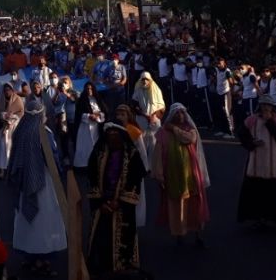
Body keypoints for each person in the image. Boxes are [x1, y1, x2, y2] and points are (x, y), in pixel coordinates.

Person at [7, 98, 66, 278]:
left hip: (25, 182)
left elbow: (14, 158)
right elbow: (53, 158)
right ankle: (43, 257)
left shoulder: (20, 131)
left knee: (28, 220)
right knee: (45, 218)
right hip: (44, 182)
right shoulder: (44, 133)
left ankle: (29, 256)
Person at [86, 122, 147, 275]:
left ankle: (123, 266)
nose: (112, 138)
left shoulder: (132, 154)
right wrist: (100, 202)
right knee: (101, 238)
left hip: (121, 205)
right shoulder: (99, 151)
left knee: (123, 238)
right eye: (109, 135)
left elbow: (135, 179)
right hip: (102, 204)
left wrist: (118, 202)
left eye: (115, 135)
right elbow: (91, 176)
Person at [236, 95, 276, 235]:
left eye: (268, 105)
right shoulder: (252, 120)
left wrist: (269, 121)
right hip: (257, 163)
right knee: (258, 192)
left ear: (272, 107)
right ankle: (260, 218)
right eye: (263, 105)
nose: (265, 107)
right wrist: (251, 143)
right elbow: (242, 134)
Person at [152, 103, 210, 246]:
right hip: (173, 175)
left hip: (191, 174)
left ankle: (197, 234)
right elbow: (157, 155)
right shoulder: (163, 133)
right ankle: (179, 233)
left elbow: (188, 139)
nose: (180, 116)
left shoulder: (191, 130)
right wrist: (159, 174)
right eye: (177, 114)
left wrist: (175, 129)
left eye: (182, 113)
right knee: (176, 205)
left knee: (195, 203)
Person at [115, 104, 149, 227]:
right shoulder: (115, 131)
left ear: (128, 116)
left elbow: (142, 151)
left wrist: (143, 168)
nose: (120, 117)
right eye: (118, 114)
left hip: (132, 168)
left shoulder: (134, 131)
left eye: (123, 115)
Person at [131, 71, 166, 161]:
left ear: (150, 80)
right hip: (142, 119)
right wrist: (145, 115)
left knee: (154, 143)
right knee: (142, 143)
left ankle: (154, 166)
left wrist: (153, 116)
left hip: (154, 120)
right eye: (143, 79)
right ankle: (144, 166)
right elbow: (134, 106)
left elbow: (162, 107)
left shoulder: (156, 90)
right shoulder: (138, 90)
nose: (144, 81)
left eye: (147, 79)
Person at [73, 82, 107, 168]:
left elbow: (105, 111)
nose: (89, 90)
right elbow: (78, 114)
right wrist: (88, 116)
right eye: (87, 89)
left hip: (97, 127)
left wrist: (99, 115)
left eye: (91, 88)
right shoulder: (82, 100)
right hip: (86, 128)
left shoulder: (98, 99)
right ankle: (84, 165)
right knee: (86, 147)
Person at [0, 83, 24, 178]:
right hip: (4, 127)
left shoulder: (17, 99)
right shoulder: (1, 100)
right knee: (2, 146)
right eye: (5, 90)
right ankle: (2, 170)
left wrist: (12, 117)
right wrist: (3, 115)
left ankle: (13, 170)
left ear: (12, 90)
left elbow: (21, 112)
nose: (7, 92)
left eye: (9, 90)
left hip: (14, 128)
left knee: (12, 148)